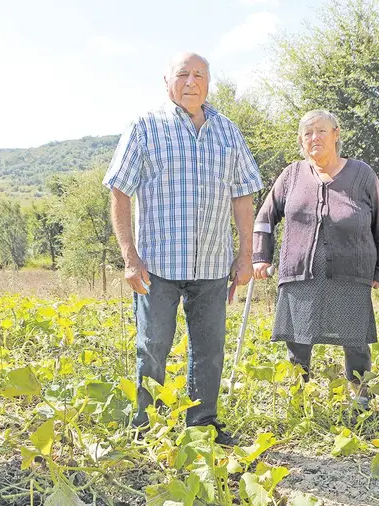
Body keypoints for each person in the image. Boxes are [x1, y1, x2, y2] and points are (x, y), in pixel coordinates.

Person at [104, 52, 263, 446]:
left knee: (209, 350)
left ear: (209, 82)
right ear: (166, 80)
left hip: (212, 264)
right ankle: (147, 427)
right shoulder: (145, 128)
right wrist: (129, 256)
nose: (191, 82)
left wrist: (245, 256)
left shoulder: (228, 132)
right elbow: (120, 191)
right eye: (183, 74)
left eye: (199, 75)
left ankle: (203, 425)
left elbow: (244, 196)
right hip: (156, 265)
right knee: (152, 347)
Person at [251, 109, 379, 407]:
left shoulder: (362, 173)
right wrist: (260, 256)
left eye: (321, 131)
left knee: (355, 338)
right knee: (298, 336)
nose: (314, 138)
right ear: (301, 142)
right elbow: (265, 216)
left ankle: (360, 397)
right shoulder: (291, 175)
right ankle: (297, 394)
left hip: (351, 271)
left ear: (336, 134)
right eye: (307, 134)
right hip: (300, 270)